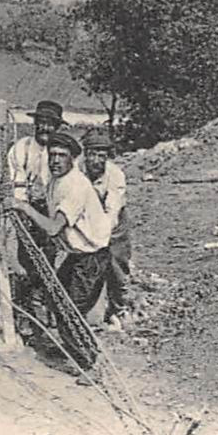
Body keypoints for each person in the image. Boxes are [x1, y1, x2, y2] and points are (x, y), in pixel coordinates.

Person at [11, 129, 113, 371]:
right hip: (77, 255)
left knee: (70, 309)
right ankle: (74, 348)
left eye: (61, 156)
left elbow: (54, 227)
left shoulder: (75, 186)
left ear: (72, 159)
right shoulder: (56, 181)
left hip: (91, 259)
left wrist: (24, 208)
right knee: (55, 300)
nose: (55, 160)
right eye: (52, 155)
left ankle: (91, 363)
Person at [7, 100, 64, 306]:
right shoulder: (21, 148)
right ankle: (27, 298)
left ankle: (45, 294)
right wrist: (23, 209)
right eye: (41, 122)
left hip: (52, 209)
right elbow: (16, 181)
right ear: (35, 123)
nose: (45, 128)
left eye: (50, 124)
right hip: (26, 205)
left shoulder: (62, 152)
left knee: (49, 251)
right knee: (27, 252)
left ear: (57, 127)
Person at [83, 130, 131, 325]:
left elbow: (112, 209)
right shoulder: (76, 172)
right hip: (85, 220)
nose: (96, 160)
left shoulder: (115, 175)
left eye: (101, 156)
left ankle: (119, 307)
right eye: (92, 154)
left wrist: (101, 237)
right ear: (84, 154)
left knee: (116, 264)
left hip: (113, 223)